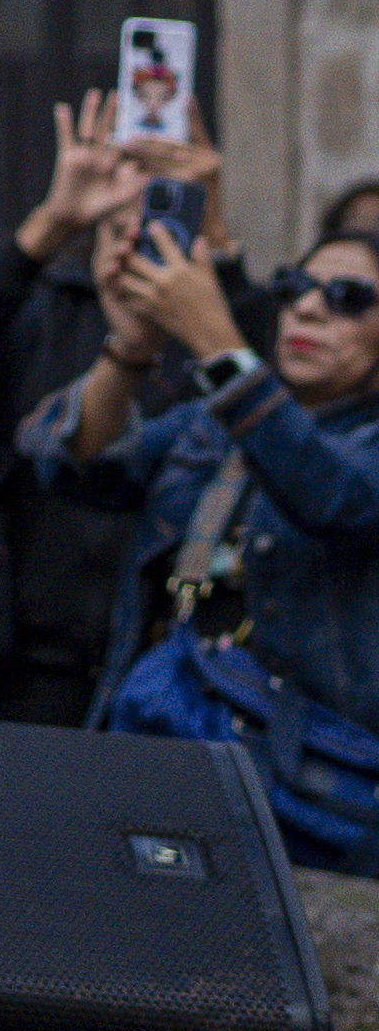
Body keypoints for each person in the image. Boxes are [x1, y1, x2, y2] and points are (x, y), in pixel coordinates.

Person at [0, 92, 271, 723]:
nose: (134, 252)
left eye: (159, 231)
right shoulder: (44, 304)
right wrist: (49, 225)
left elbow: (288, 411)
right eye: (117, 230)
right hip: (27, 669)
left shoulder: (224, 324)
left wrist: (221, 255)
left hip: (178, 681)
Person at [45, 224, 379, 870]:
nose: (307, 308)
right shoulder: (214, 423)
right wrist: (132, 348)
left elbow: (332, 497)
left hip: (315, 786)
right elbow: (79, 468)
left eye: (347, 296)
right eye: (296, 288)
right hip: (169, 740)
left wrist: (216, 340)